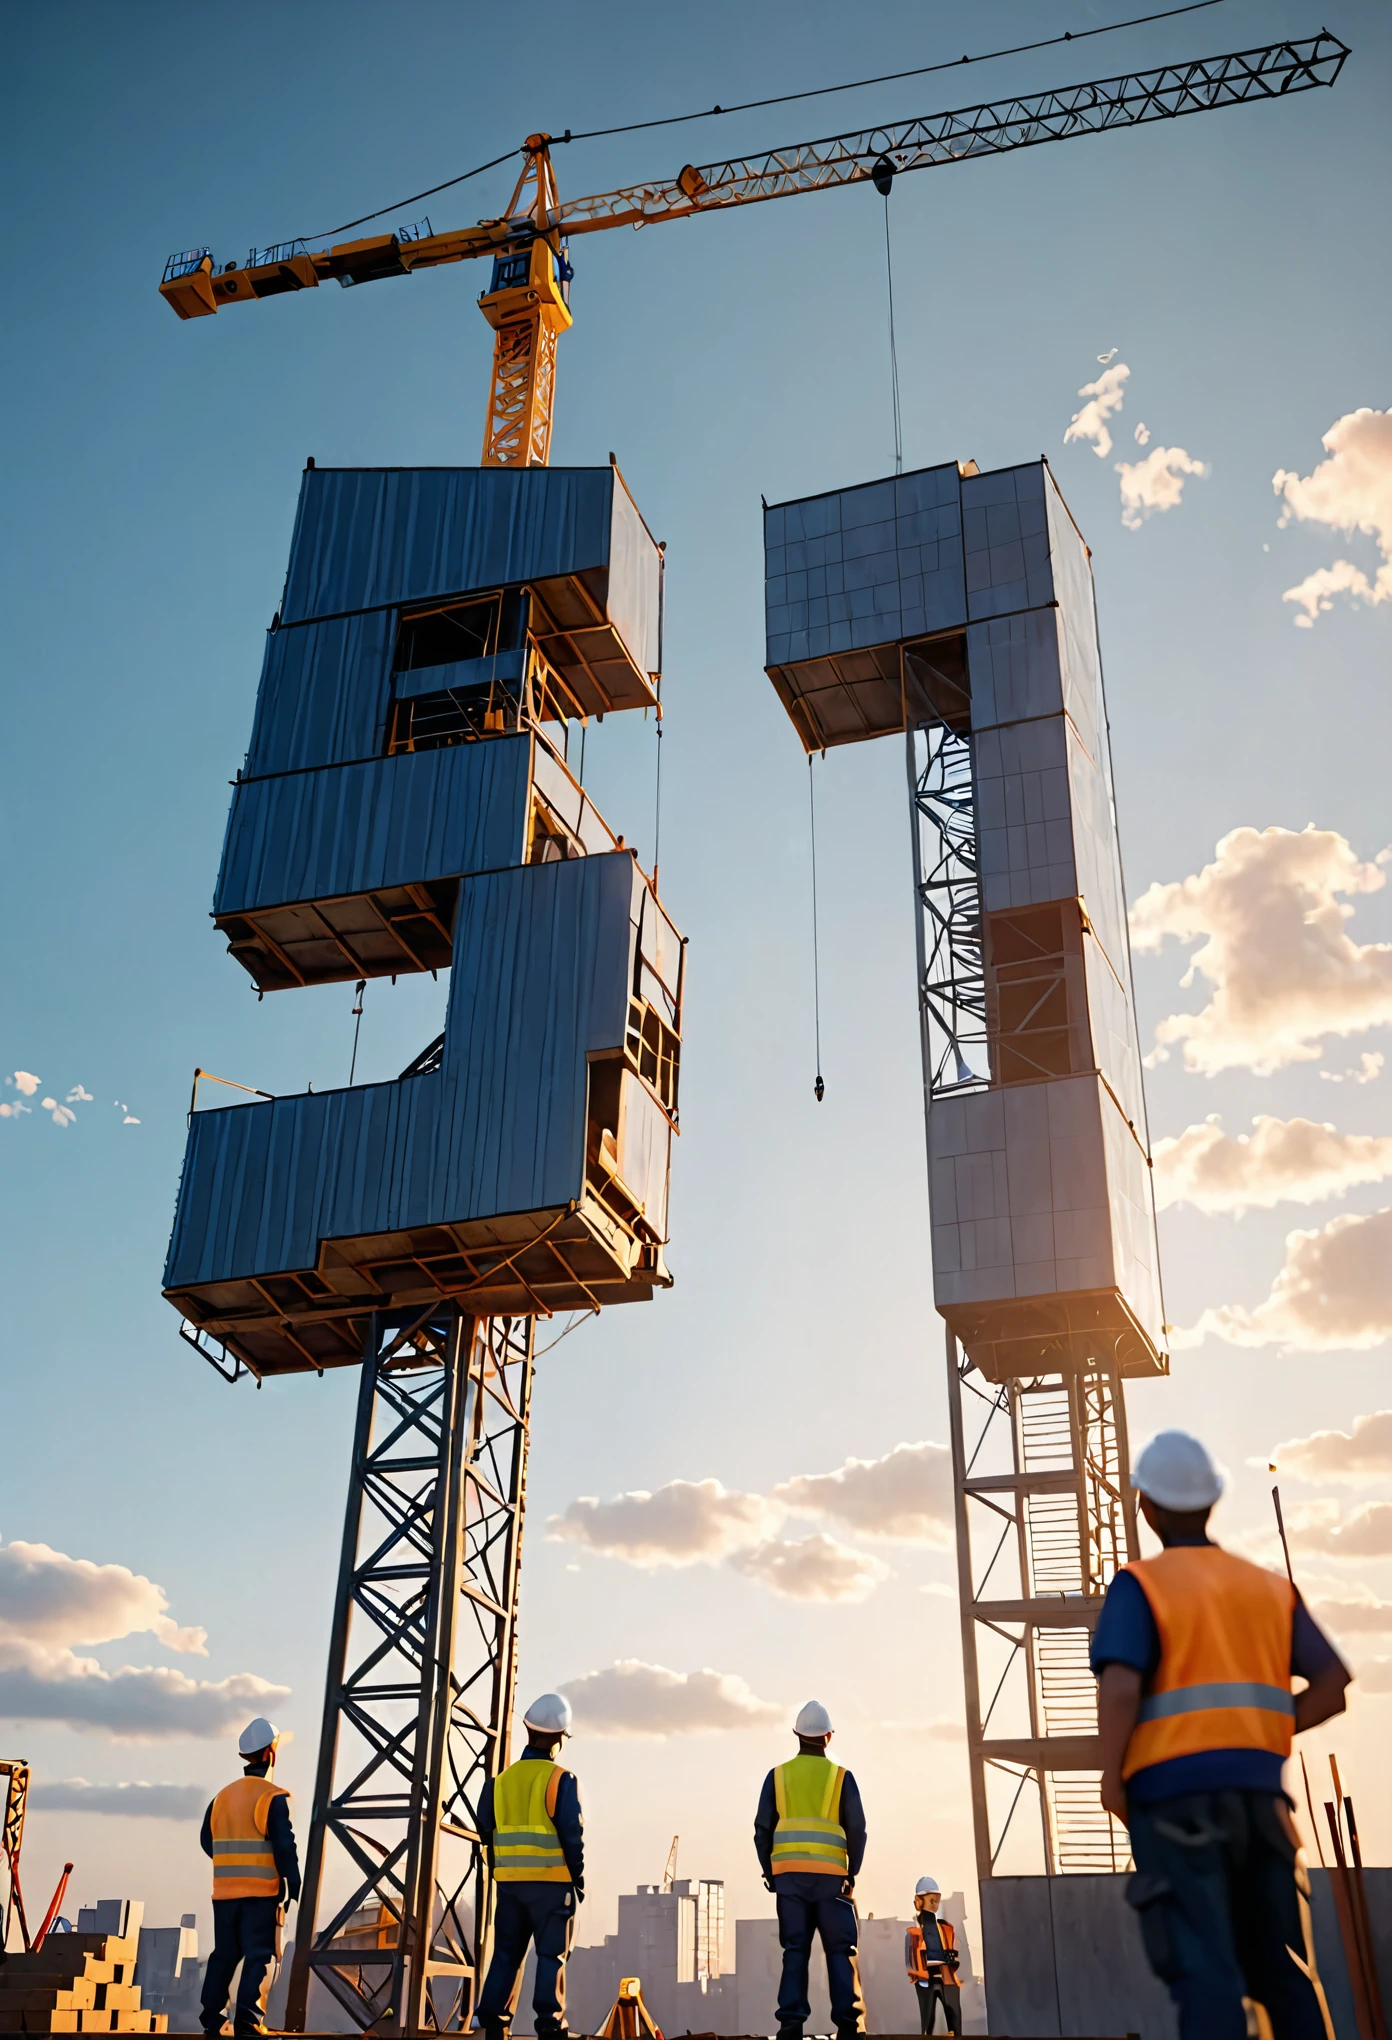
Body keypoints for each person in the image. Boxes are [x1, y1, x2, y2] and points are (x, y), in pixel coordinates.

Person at [1092, 1429, 1351, 2040]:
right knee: (1284, 1972)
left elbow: (1122, 1687)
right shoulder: (1267, 1587)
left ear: (1146, 1507)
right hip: (1263, 1806)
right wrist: (1261, 1732)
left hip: (1174, 1807)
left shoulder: (1141, 1586)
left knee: (1205, 1974)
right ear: (1212, 1502)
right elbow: (1332, 1683)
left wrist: (1113, 1776)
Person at [754, 1700, 867, 2040]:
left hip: (789, 1878)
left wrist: (770, 1872)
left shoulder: (777, 1776)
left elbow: (762, 1828)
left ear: (797, 1735)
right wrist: (852, 1872)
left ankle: (791, 2026)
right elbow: (857, 1828)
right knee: (840, 1950)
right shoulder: (841, 1777)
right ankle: (848, 2027)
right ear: (828, 1737)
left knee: (795, 1951)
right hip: (832, 1879)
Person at [475, 1693, 584, 2040]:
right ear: (559, 1739)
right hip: (552, 1886)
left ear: (528, 1731)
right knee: (551, 1955)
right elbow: (572, 1835)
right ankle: (550, 2024)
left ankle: (493, 2021)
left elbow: (485, 1829)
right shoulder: (561, 1780)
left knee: (506, 1953)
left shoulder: (499, 1782)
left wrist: (501, 1868)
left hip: (509, 1885)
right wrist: (577, 1878)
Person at [200, 1716, 300, 2037]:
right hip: (260, 1894)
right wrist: (294, 1882)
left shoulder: (221, 1798)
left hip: (224, 1894)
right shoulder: (272, 1796)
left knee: (224, 1954)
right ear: (271, 1753)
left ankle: (212, 2019)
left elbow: (207, 1840)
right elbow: (285, 1846)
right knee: (260, 1953)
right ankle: (247, 2018)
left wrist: (231, 1865)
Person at [904, 1877, 960, 2035]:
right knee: (928, 2017)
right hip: (925, 1977)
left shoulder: (945, 1928)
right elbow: (910, 1958)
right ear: (919, 1901)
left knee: (953, 2015)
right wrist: (918, 1974)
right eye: (931, 1900)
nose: (934, 1904)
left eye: (936, 1900)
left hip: (944, 1974)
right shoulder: (914, 1932)